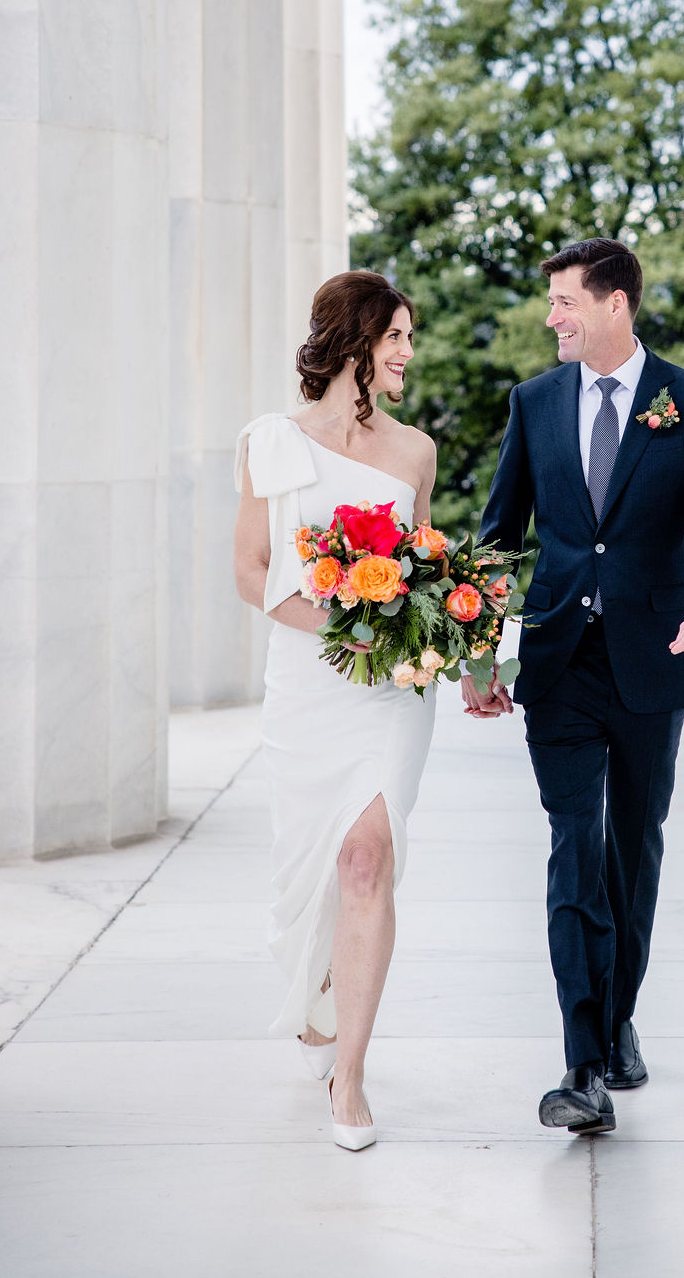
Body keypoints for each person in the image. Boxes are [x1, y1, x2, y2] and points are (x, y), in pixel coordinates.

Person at [463, 239, 684, 1134]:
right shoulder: (533, 402)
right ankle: (582, 1061)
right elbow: (497, 533)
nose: (551, 317)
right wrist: (482, 653)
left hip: (653, 656)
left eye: (564, 301)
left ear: (614, 305)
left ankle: (620, 1012)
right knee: (573, 849)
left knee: (633, 849)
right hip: (556, 661)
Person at [233, 270, 437, 1151]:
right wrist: (341, 631)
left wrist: (425, 639)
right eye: (395, 336)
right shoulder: (271, 441)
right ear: (355, 340)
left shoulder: (416, 452)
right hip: (311, 684)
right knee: (312, 868)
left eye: (408, 338)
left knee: (366, 858)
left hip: (390, 692)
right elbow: (251, 571)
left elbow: (422, 571)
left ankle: (349, 1077)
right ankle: (318, 998)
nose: (406, 353)